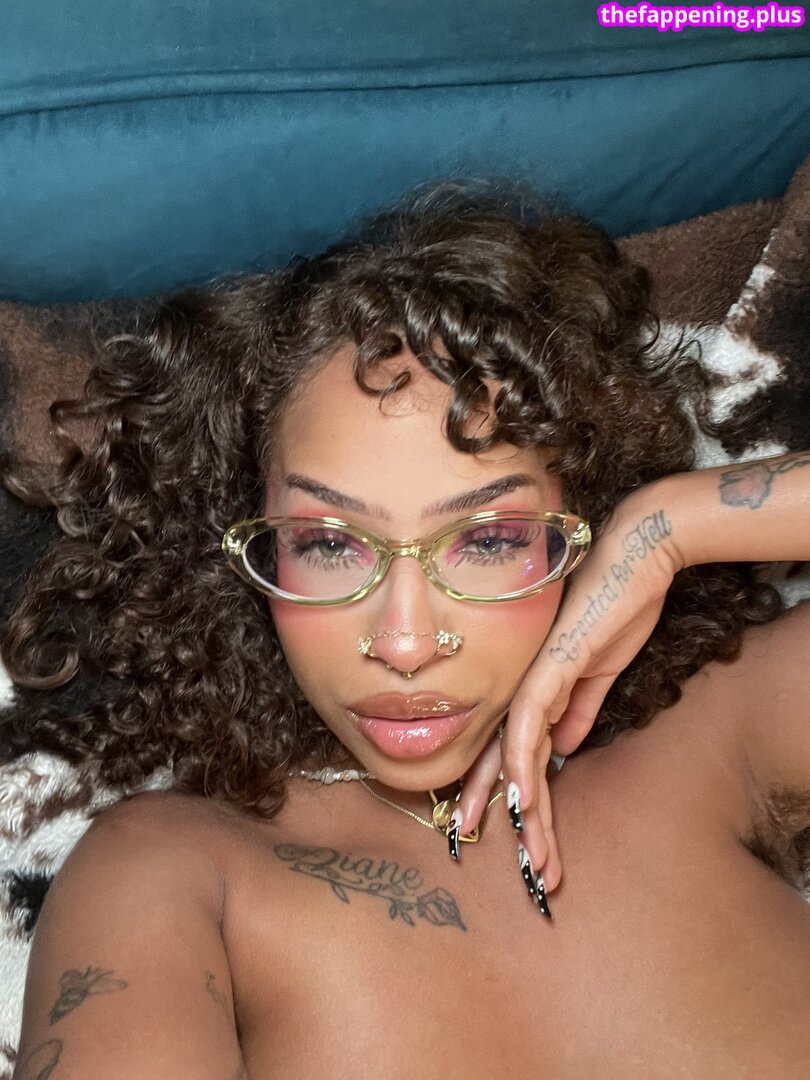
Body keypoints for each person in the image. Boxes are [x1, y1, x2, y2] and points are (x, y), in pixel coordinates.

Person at [1, 185, 808, 1079]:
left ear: (582, 521)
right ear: (237, 552)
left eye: (490, 539)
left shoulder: (712, 738)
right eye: (330, 545)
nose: (407, 642)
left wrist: (674, 524)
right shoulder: (175, 875)